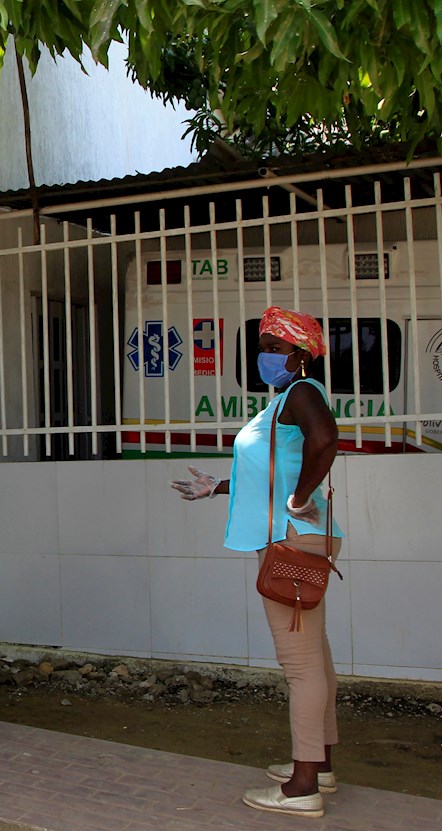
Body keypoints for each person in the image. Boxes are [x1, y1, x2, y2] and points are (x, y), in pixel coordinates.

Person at [171, 306, 345, 819]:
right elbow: (275, 467)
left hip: (293, 538)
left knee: (300, 665)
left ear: (299, 356)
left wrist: (298, 499)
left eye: (275, 348)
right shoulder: (285, 401)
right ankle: (322, 767)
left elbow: (326, 441)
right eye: (263, 346)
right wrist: (216, 488)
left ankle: (303, 786)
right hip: (300, 537)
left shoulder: (302, 393)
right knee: (316, 655)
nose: (264, 355)